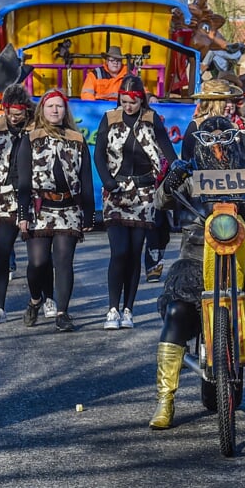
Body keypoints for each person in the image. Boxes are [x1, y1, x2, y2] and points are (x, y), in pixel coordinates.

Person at [149, 114, 245, 429]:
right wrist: (172, 178)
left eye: (225, 137)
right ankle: (165, 400)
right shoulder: (193, 173)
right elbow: (162, 200)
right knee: (178, 310)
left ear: (235, 141)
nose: (219, 144)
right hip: (195, 257)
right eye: (212, 138)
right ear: (202, 144)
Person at [95, 75, 178, 331]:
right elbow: (99, 154)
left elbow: (167, 150)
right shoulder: (110, 118)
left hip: (144, 193)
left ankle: (128, 309)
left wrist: (178, 171)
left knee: (134, 253)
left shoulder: (152, 119)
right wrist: (108, 182)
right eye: (124, 101)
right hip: (117, 191)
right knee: (119, 251)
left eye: (132, 102)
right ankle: (112, 308)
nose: (128, 106)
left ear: (141, 99)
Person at [15, 90, 95, 331]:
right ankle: (35, 300)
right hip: (39, 207)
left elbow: (86, 178)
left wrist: (89, 213)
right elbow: (24, 179)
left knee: (63, 262)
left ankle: (62, 312)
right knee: (38, 262)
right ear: (42, 109)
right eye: (50, 106)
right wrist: (22, 214)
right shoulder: (31, 137)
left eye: (59, 106)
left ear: (65, 110)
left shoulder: (76, 139)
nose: (55, 110)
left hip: (68, 208)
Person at [0, 85, 35, 324]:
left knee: (40, 256)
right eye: (10, 113)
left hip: (34, 197)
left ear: (26, 111)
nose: (14, 118)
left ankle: (44, 297)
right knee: (1, 251)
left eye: (18, 113)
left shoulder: (36, 127)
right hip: (4, 196)